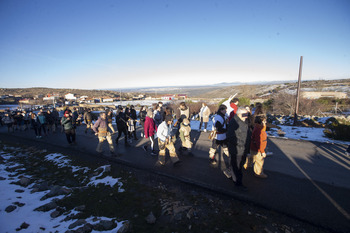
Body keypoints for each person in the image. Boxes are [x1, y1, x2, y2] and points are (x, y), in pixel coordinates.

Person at [227, 107, 252, 188]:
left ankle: (234, 177)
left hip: (243, 149)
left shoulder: (244, 121)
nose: (246, 116)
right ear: (239, 114)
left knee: (239, 166)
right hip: (237, 150)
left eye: (247, 114)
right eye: (245, 114)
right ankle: (238, 183)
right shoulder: (234, 122)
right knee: (236, 167)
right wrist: (241, 144)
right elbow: (231, 137)